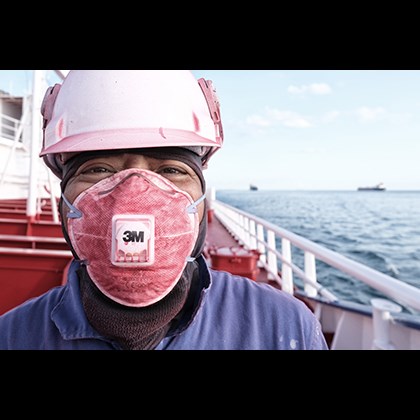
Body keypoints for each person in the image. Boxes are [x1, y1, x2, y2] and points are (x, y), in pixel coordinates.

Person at [0, 70, 329, 350]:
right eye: (99, 169)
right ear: (63, 201)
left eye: (171, 170)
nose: (134, 195)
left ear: (202, 200)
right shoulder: (12, 337)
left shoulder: (284, 329)